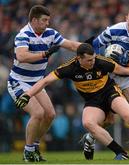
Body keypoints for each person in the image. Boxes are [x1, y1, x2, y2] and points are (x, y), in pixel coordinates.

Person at [15, 43, 129, 160]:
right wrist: (27, 94)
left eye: (93, 59)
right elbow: (45, 81)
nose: (93, 62)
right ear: (79, 59)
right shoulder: (69, 68)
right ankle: (120, 152)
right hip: (93, 101)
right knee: (88, 123)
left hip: (110, 93)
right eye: (89, 60)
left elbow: (122, 70)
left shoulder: (100, 61)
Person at [7, 5, 81, 162]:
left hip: (37, 82)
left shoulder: (51, 34)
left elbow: (72, 45)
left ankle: (33, 146)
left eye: (48, 20)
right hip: (19, 82)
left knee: (50, 115)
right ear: (34, 20)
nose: (48, 23)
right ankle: (28, 152)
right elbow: (21, 56)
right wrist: (45, 54)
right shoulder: (23, 34)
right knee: (38, 113)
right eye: (44, 20)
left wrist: (89, 48)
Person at [82, 6, 129, 159]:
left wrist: (122, 61)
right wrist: (106, 59)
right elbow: (92, 47)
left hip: (126, 75)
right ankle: (91, 137)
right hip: (108, 77)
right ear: (126, 17)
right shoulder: (113, 30)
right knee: (108, 120)